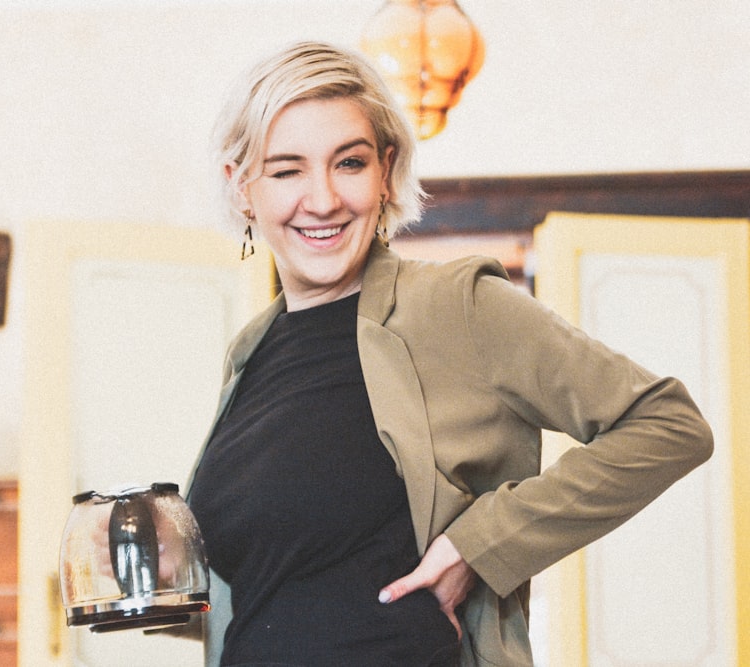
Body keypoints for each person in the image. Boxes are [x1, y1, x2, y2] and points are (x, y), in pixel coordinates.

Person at [183, 40, 713, 667]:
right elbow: (279, 589)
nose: (322, 199)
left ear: (385, 171)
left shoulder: (457, 306)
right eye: (286, 169)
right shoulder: (251, 352)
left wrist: (479, 544)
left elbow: (670, 425)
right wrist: (176, 563)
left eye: (348, 164)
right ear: (242, 187)